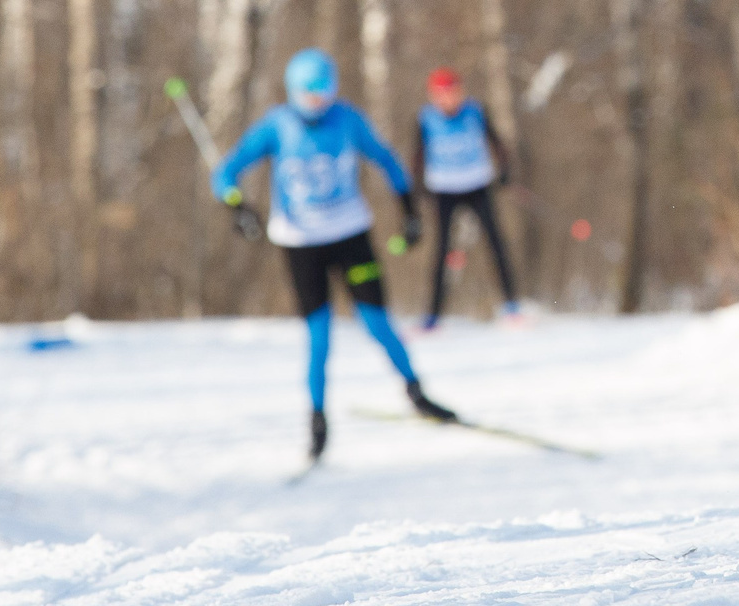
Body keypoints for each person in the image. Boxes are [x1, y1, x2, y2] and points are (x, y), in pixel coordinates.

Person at [213, 48, 453, 460]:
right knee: (319, 336)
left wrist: (409, 210)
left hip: (350, 236)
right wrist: (237, 207)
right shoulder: (278, 126)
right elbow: (225, 173)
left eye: (327, 88)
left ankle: (417, 393)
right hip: (301, 245)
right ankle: (318, 421)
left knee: (377, 322)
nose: (320, 98)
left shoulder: (348, 120)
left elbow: (387, 161)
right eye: (311, 90)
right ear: (294, 90)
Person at [413, 67, 524, 329]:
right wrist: (418, 187)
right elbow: (418, 154)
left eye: (452, 93)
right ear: (433, 96)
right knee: (442, 250)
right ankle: (433, 315)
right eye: (441, 95)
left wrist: (504, 171)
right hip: (443, 188)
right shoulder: (425, 118)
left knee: (496, 243)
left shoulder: (475, 111)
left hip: (477, 184)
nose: (448, 100)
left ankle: (511, 306)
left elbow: (497, 142)